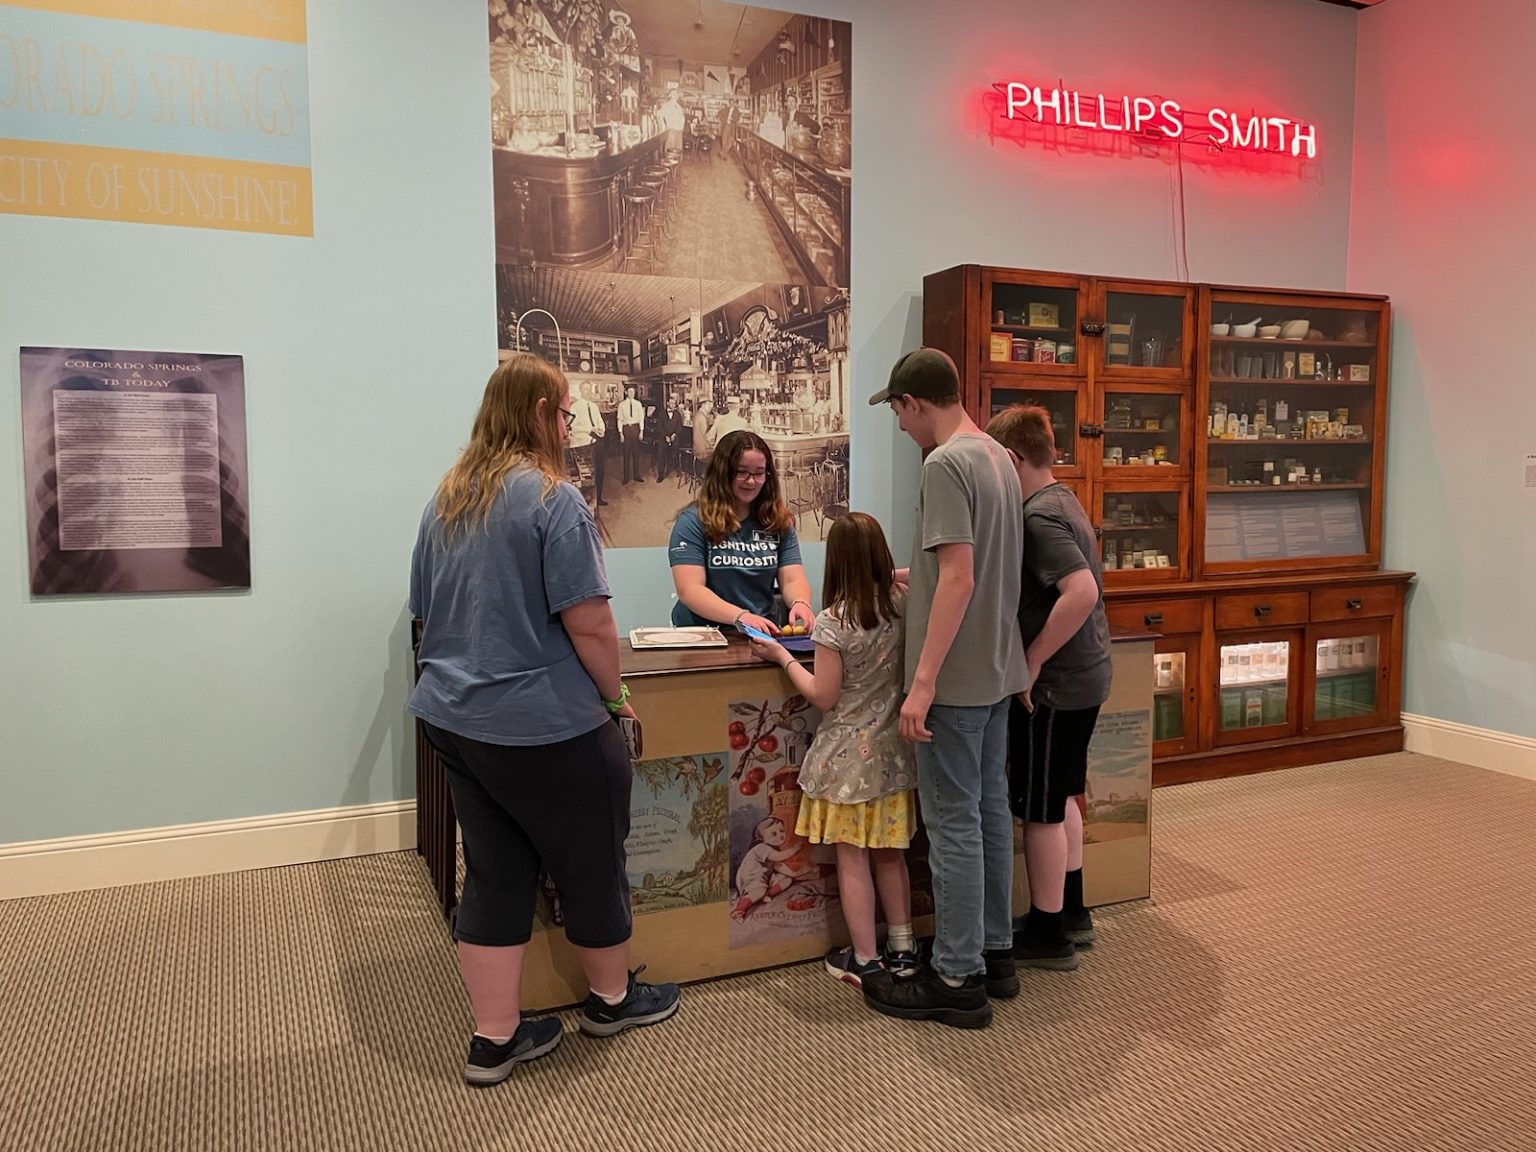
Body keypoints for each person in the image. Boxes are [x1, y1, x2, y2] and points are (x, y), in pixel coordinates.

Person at [408, 353, 680, 1086]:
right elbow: (591, 622)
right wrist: (618, 699)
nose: (570, 426)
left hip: (454, 719)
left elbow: (424, 610)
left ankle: (494, 1039)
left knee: (495, 872)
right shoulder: (553, 501)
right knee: (592, 862)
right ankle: (611, 1001)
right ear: (538, 414)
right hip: (542, 725)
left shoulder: (447, 500)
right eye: (565, 413)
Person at [860, 347, 1029, 1030]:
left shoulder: (944, 464)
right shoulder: (995, 456)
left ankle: (956, 976)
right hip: (996, 667)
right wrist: (915, 580)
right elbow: (974, 568)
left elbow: (959, 576)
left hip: (954, 681)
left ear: (914, 403)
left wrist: (920, 684)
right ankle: (993, 949)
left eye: (898, 413)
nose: (900, 428)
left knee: (952, 821)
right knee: (989, 808)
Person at [746, 512, 919, 990]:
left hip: (844, 763)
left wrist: (781, 656)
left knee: (852, 858)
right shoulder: (904, 604)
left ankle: (864, 957)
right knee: (891, 854)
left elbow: (823, 695)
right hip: (893, 758)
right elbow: (926, 574)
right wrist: (887, 574)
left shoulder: (834, 622)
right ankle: (903, 947)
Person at [986, 405, 1112, 969]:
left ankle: (1046, 933)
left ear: (1011, 459)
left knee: (1038, 809)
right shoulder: (1064, 500)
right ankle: (1070, 910)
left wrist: (1032, 663)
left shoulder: (1036, 518)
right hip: (1086, 676)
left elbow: (1079, 592)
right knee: (1060, 794)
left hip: (1056, 686)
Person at [668, 429, 815, 637]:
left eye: (758, 473)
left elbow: (792, 579)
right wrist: (740, 616)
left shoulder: (778, 521)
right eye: (742, 471)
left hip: (762, 632)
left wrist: (801, 602)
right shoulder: (692, 521)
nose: (751, 480)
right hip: (705, 633)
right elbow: (690, 590)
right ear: (722, 471)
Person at [730, 816, 801, 920]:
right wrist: (794, 849)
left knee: (787, 879)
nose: (780, 835)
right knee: (759, 890)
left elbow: (778, 866)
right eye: (774, 834)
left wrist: (794, 874)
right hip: (751, 878)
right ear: (762, 839)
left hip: (764, 878)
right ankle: (739, 910)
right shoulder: (761, 848)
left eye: (781, 831)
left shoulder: (773, 849)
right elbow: (779, 857)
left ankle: (767, 894)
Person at [568, 387, 609, 506]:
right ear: (581, 391)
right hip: (584, 442)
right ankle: (585, 501)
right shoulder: (575, 407)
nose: (588, 392)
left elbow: (599, 420)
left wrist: (602, 429)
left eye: (589, 390)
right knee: (587, 473)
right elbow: (572, 427)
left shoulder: (593, 406)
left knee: (600, 469)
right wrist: (590, 429)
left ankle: (599, 497)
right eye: (585, 390)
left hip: (597, 439)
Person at [618, 385, 646, 484]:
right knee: (626, 453)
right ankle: (626, 477)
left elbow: (641, 418)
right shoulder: (621, 405)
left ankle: (636, 475)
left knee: (636, 453)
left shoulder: (638, 404)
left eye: (633, 392)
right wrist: (621, 433)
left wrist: (641, 431)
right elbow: (619, 420)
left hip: (635, 429)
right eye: (629, 392)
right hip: (626, 429)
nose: (631, 394)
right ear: (626, 392)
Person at [656, 395, 683, 482]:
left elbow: (680, 427)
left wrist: (674, 434)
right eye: (671, 403)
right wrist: (665, 436)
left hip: (674, 436)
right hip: (664, 437)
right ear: (667, 403)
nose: (673, 405)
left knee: (676, 450)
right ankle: (660, 474)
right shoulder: (661, 414)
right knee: (661, 453)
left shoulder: (678, 414)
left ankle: (677, 468)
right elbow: (659, 427)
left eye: (674, 404)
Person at [658, 91, 685, 156]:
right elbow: (660, 116)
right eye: (673, 94)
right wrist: (664, 127)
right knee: (670, 151)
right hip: (671, 131)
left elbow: (682, 118)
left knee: (678, 151)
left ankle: (676, 165)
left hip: (679, 131)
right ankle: (669, 165)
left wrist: (682, 128)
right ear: (670, 95)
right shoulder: (666, 106)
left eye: (676, 94)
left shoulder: (679, 107)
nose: (675, 95)